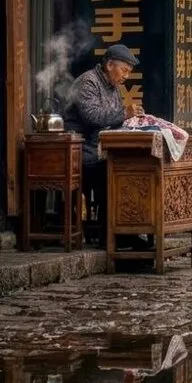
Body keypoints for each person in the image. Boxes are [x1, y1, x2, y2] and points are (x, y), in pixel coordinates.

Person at [64, 44, 141, 241]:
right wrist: (124, 113)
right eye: (124, 70)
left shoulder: (113, 87)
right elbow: (92, 116)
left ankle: (127, 231)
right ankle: (115, 236)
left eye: (128, 72)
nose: (126, 76)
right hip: (82, 150)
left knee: (130, 167)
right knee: (112, 171)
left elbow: (114, 118)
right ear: (109, 65)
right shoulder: (88, 82)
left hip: (101, 147)